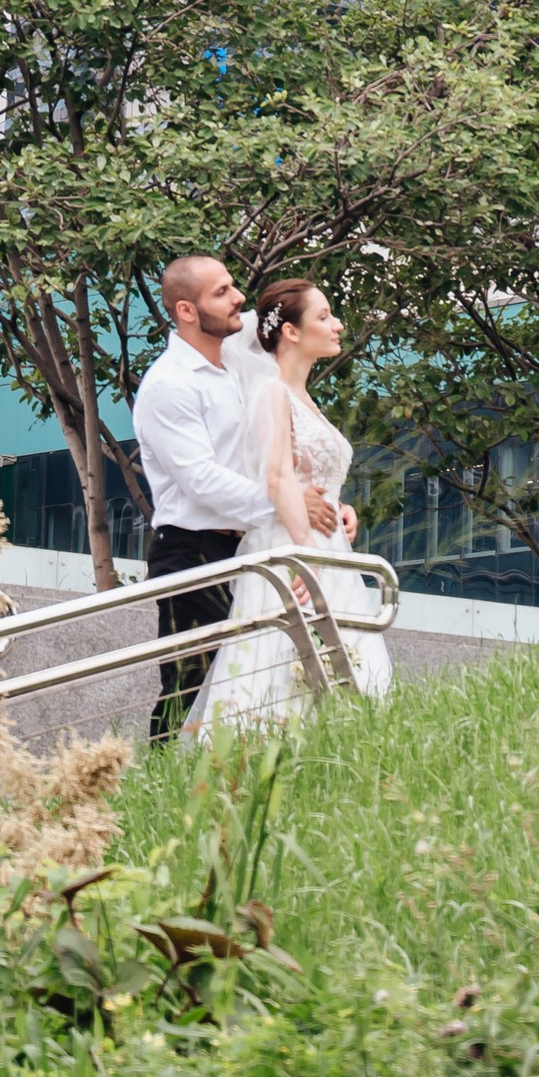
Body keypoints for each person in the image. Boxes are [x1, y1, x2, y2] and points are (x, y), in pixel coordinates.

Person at [131, 253, 338, 743]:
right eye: (221, 292)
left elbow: (283, 325)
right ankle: (166, 787)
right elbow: (200, 479)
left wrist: (328, 504)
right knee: (192, 685)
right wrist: (287, 507)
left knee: (259, 677)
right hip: (193, 549)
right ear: (186, 310)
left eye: (232, 286)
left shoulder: (239, 356)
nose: (238, 298)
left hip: (253, 545)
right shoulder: (168, 385)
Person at [192, 276, 392, 734]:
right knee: (277, 674)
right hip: (295, 547)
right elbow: (277, 475)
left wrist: (342, 508)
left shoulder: (303, 397)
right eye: (324, 316)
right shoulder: (272, 392)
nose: (338, 324)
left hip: (328, 549)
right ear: (292, 332)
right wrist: (306, 556)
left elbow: (310, 475)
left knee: (348, 671)